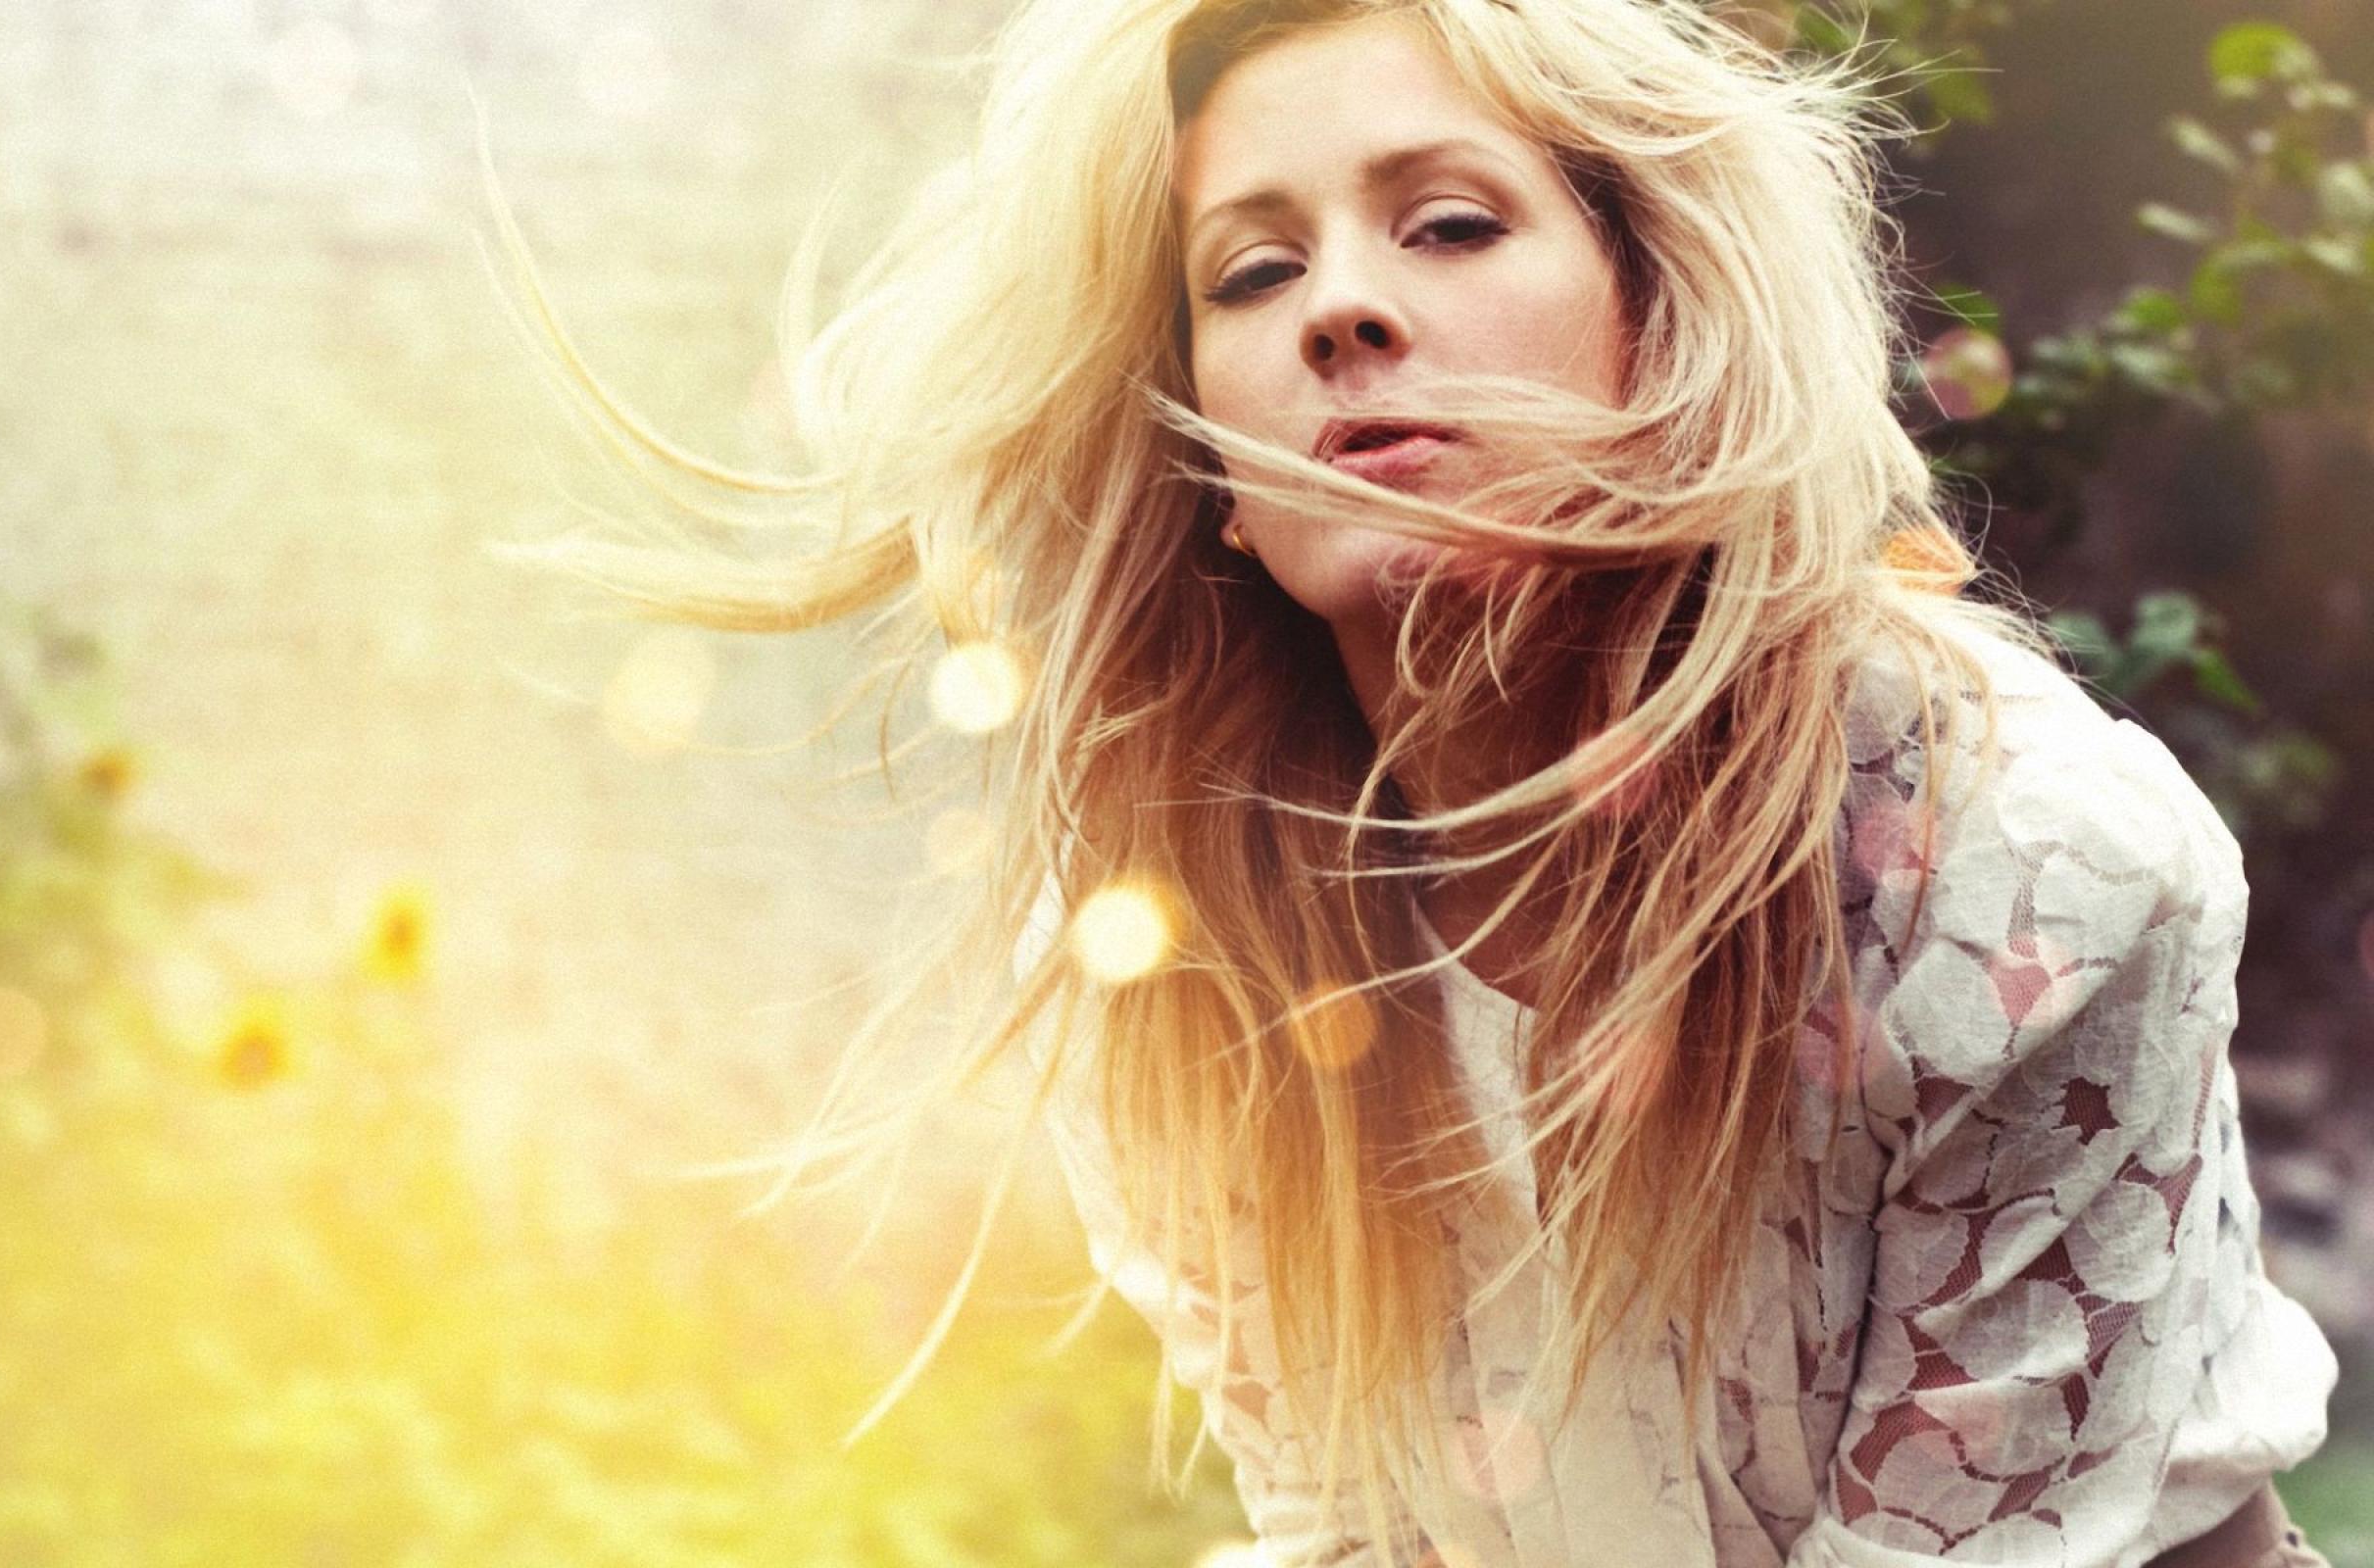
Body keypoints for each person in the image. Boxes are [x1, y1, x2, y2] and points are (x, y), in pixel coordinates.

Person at [489, 0, 2341, 1563]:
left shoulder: (2023, 879)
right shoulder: (1187, 942)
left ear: (1658, 323)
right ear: (1212, 466)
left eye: (1449, 226)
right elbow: (1352, 1531)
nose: (1341, 311)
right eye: (1253, 271)